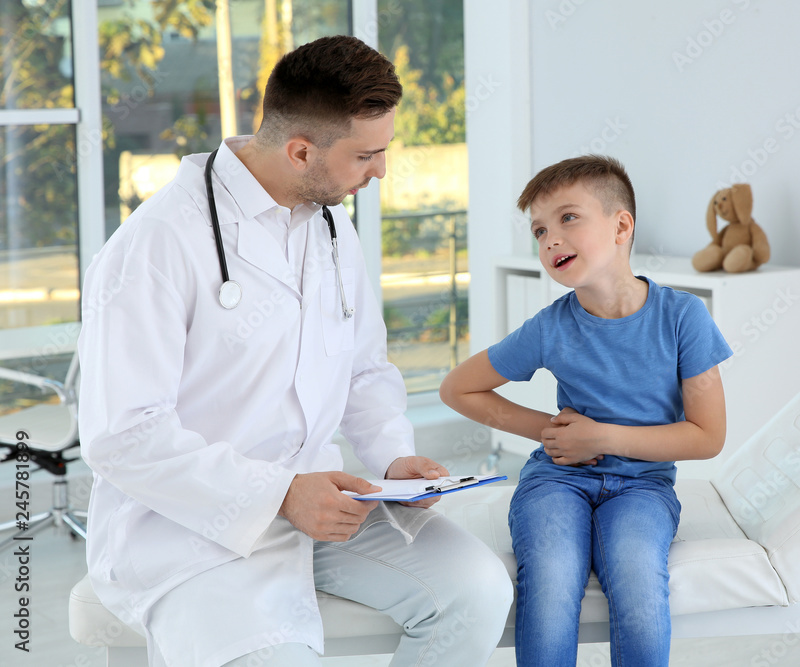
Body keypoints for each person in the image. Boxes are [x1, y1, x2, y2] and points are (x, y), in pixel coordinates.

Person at [78, 35, 511, 667]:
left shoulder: (332, 226)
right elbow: (123, 435)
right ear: (300, 149)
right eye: (367, 155)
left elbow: (364, 369)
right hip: (189, 527)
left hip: (331, 505)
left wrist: (394, 460)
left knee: (477, 590)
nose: (382, 171)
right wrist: (280, 495)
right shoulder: (157, 244)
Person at [439, 155, 733, 666]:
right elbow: (458, 389)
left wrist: (601, 438)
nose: (550, 238)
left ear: (621, 226)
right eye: (539, 230)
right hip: (556, 481)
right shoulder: (549, 328)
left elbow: (707, 436)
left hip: (643, 487)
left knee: (639, 577)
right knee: (552, 578)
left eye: (568, 218)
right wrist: (552, 433)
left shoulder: (684, 318)